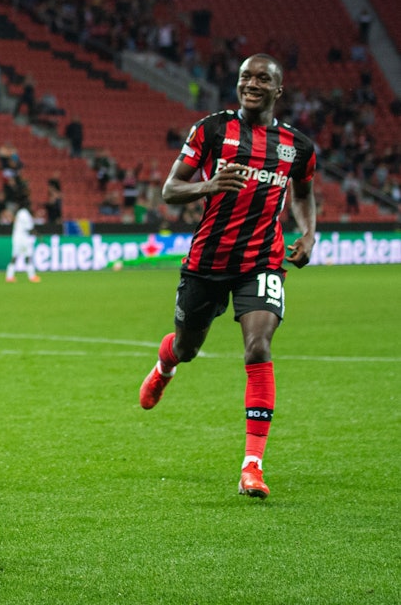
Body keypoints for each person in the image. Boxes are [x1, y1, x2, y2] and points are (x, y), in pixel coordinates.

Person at [138, 53, 317, 500]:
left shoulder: (297, 147)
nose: (252, 84)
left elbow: (305, 196)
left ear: (279, 89)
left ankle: (251, 466)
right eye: (245, 77)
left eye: (263, 78)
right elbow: (170, 189)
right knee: (188, 346)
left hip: (262, 260)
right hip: (207, 262)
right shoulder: (212, 130)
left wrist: (310, 233)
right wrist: (208, 185)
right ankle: (166, 364)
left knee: (259, 346)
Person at [5, 194, 40, 283]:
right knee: (27, 256)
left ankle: (9, 276)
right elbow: (30, 228)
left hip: (17, 236)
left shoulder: (20, 213)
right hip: (22, 237)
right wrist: (39, 236)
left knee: (15, 256)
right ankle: (32, 276)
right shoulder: (25, 213)